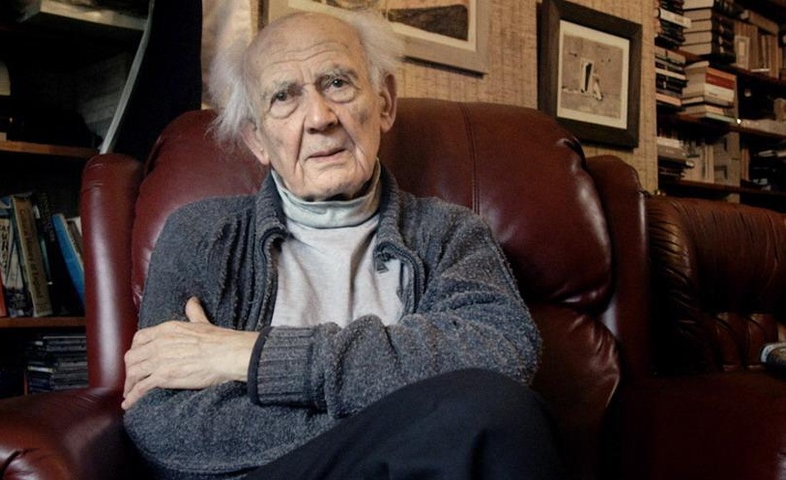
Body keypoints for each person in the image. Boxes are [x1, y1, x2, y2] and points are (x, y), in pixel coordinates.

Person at [122, 8, 565, 480]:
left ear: (384, 103)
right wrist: (395, 422)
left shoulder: (450, 233)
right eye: (283, 97)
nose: (319, 117)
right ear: (257, 139)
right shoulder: (201, 234)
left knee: (501, 413)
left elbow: (503, 353)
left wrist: (250, 355)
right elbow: (160, 424)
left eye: (337, 83)